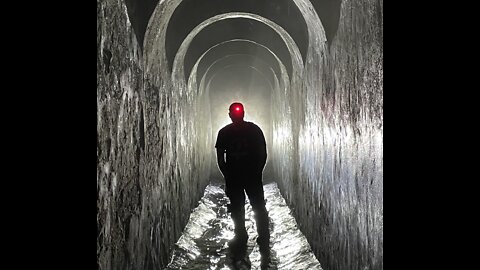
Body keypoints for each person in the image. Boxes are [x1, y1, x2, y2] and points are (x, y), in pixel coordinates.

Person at [215, 102, 270, 264]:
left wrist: (227, 174)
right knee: (255, 205)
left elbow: (220, 158)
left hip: (238, 176)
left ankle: (243, 235)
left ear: (230, 115)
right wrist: (257, 171)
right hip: (248, 175)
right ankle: (261, 235)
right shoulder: (254, 130)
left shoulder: (224, 132)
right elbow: (262, 153)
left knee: (240, 206)